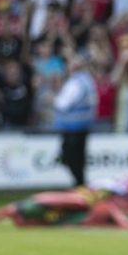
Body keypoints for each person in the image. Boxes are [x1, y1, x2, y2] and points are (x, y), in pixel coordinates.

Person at [53, 54, 97, 187]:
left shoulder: (75, 82)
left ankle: (79, 185)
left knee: (71, 158)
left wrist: (53, 97)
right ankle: (80, 184)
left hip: (72, 128)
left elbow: (62, 104)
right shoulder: (88, 80)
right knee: (79, 158)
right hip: (84, 126)